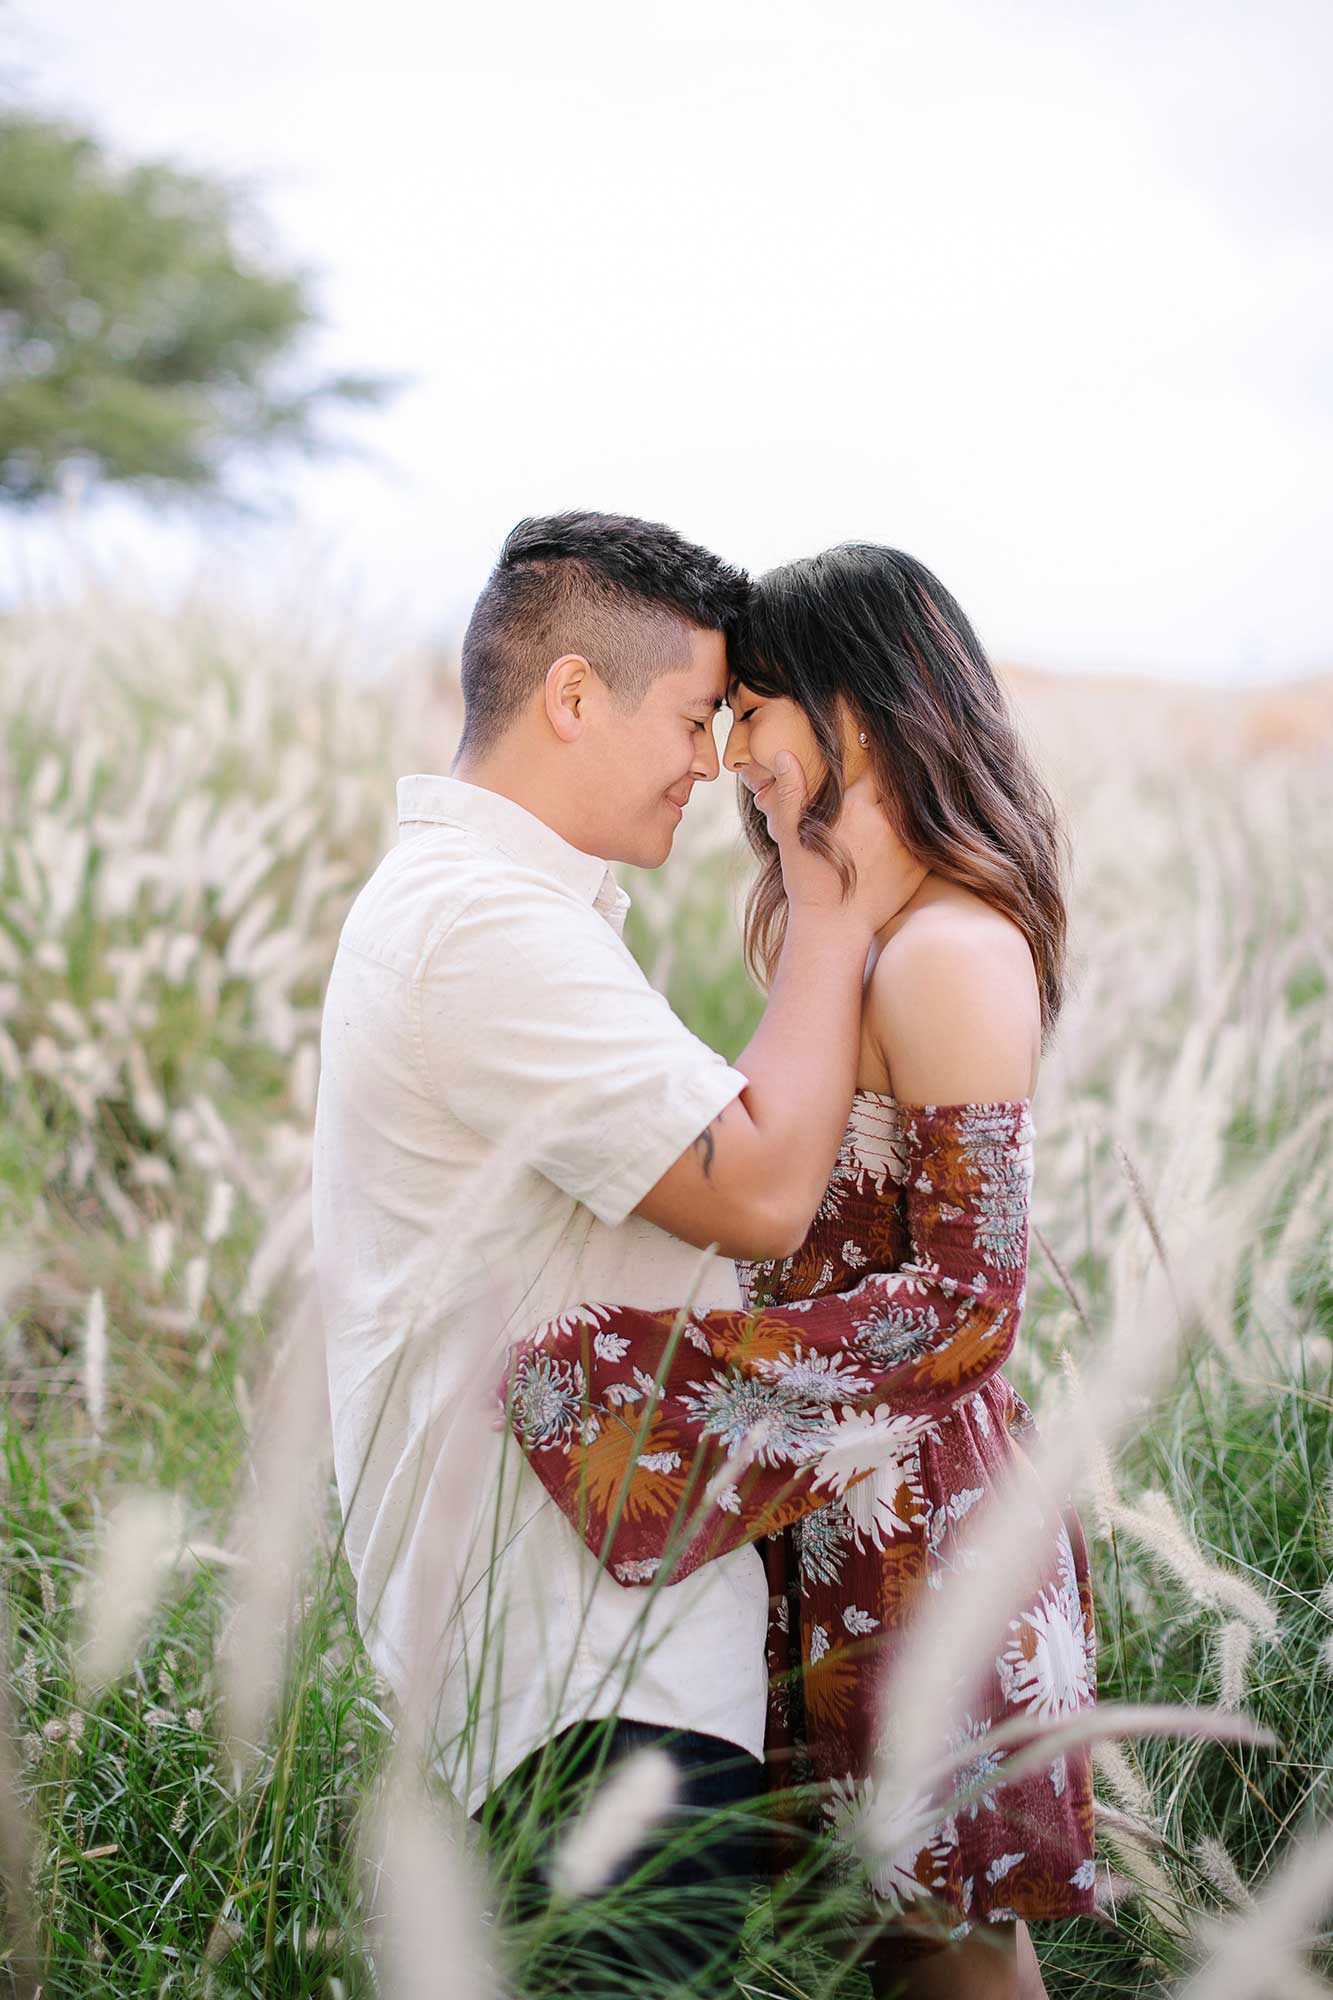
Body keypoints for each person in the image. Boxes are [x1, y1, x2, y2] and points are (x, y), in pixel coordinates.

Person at [311, 513, 924, 1994]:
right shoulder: (482, 931)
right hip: (578, 1670)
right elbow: (765, 1190)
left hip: (581, 1644)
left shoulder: (509, 913)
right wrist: (831, 895)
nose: (711, 760)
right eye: (690, 714)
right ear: (573, 695)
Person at [505, 544, 1096, 1999]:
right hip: (826, 1516)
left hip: (917, 1539)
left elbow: (971, 1297)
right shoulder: (856, 939)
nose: (729, 756)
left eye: (753, 707)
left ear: (857, 706)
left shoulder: (950, 949)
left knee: (948, 1941)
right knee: (874, 1944)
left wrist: (633, 1402)